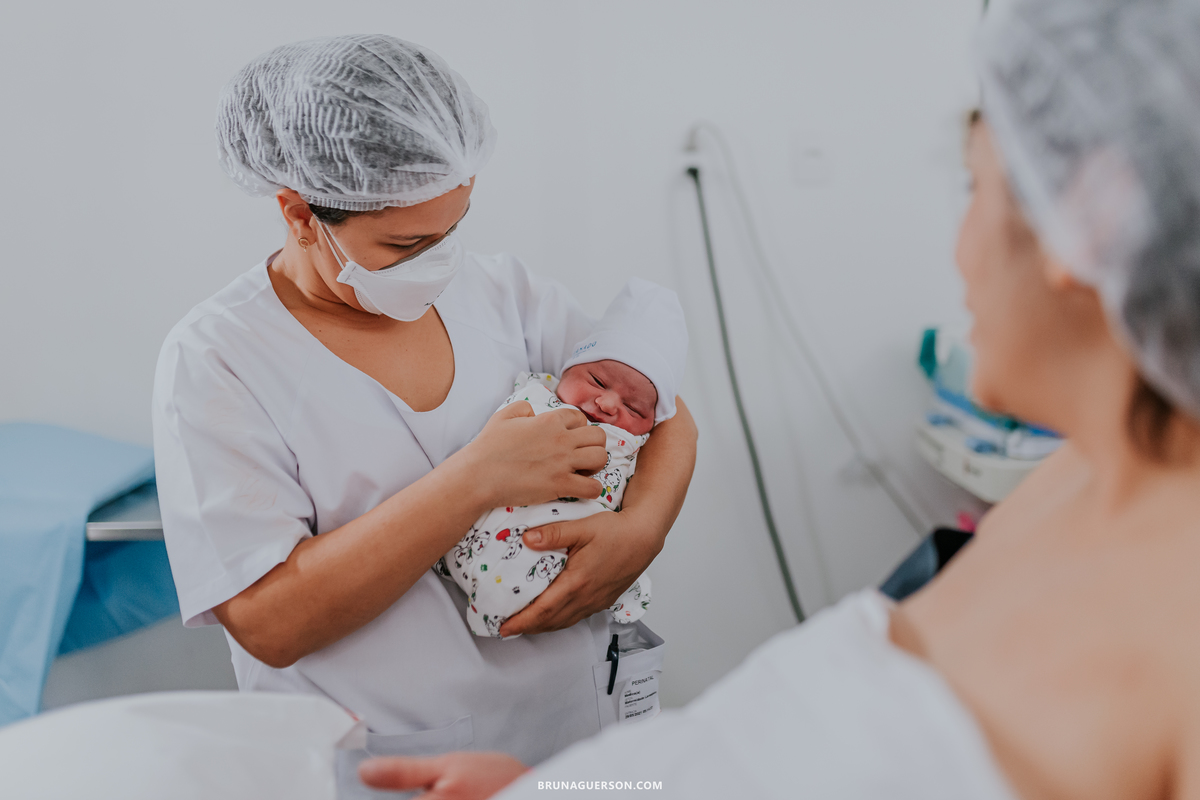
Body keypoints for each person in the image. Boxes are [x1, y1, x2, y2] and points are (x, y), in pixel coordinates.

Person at [358, 1, 1200, 797]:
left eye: (972, 188)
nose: (958, 247)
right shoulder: (1066, 492)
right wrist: (562, 788)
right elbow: (771, 766)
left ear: (1094, 216)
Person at [150, 32, 698, 788]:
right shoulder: (219, 358)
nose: (440, 262)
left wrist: (643, 531)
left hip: (575, 736)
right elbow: (271, 621)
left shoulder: (506, 295)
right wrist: (475, 478)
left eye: (453, 228)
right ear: (299, 212)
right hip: (394, 756)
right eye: (406, 243)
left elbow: (664, 411)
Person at [440, 278, 688, 637]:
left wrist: (642, 529)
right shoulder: (537, 396)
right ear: (567, 368)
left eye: (633, 406)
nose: (607, 404)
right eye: (598, 382)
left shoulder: (636, 442)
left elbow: (680, 427)